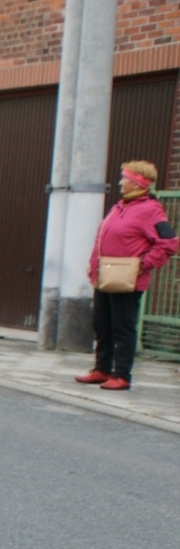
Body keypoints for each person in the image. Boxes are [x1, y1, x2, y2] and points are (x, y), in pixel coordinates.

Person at [75, 160, 176, 391]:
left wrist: (142, 265)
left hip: (127, 280)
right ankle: (102, 369)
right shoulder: (119, 207)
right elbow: (101, 238)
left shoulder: (151, 210)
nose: (121, 182)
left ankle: (122, 375)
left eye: (125, 179)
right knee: (102, 324)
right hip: (105, 276)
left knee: (123, 327)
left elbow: (169, 243)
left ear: (137, 183)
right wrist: (93, 264)